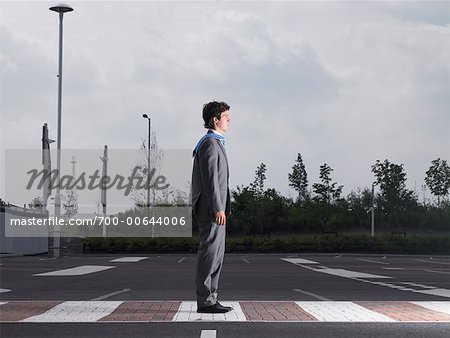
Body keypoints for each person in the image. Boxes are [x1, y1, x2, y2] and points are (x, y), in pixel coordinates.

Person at [191, 101, 232, 314]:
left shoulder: (215, 143)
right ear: (215, 119)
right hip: (211, 209)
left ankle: (211, 298)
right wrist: (218, 207)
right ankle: (205, 300)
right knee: (209, 254)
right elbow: (210, 180)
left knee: (216, 254)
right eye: (225, 116)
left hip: (216, 209)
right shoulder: (209, 143)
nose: (229, 120)